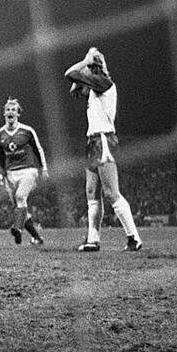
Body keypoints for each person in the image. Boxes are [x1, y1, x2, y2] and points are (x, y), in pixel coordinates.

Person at [64, 47, 142, 252]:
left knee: (111, 193)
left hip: (103, 140)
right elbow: (74, 90)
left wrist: (84, 61)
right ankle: (93, 239)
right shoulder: (93, 88)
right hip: (92, 142)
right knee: (92, 193)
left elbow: (70, 74)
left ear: (93, 67)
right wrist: (86, 66)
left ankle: (133, 237)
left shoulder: (104, 83)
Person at [0, 97, 49, 246]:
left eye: (13, 110)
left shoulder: (27, 131)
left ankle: (17, 229)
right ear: (4, 114)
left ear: (18, 114)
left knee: (20, 197)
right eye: (8, 110)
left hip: (28, 171)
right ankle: (37, 237)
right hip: (10, 175)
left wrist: (44, 169)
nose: (10, 112)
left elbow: (38, 149)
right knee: (19, 207)